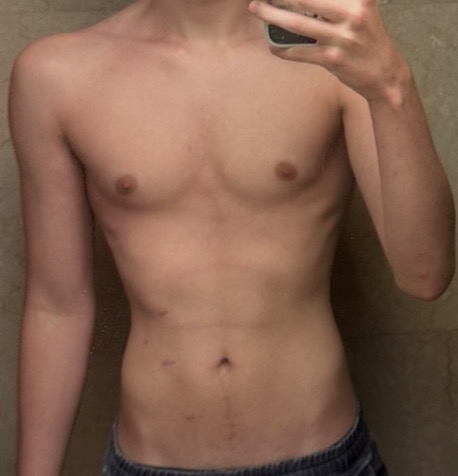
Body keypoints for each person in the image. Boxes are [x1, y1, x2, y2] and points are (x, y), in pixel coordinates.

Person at [9, 1, 455, 475]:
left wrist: (392, 85)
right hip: (149, 458)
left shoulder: (335, 54)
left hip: (324, 455)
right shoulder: (55, 75)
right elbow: (57, 306)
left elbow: (425, 274)